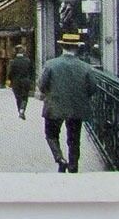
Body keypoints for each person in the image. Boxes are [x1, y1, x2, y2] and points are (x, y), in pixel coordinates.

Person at [39, 33, 96, 173]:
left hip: (54, 107)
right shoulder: (86, 67)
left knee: (51, 134)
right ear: (77, 48)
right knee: (74, 138)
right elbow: (92, 88)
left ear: (62, 47)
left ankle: (60, 159)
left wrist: (51, 94)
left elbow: (41, 85)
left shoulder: (50, 64)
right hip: (76, 107)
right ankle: (73, 166)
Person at [7, 44, 34, 119]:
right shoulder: (27, 61)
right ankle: (22, 110)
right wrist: (31, 80)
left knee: (18, 97)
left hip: (16, 82)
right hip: (25, 81)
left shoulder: (13, 62)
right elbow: (32, 72)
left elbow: (10, 73)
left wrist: (10, 80)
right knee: (25, 97)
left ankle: (20, 110)